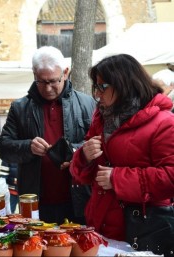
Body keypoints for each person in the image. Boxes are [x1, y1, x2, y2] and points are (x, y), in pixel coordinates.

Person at [70, 54, 174, 254]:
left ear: (123, 84)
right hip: (101, 226)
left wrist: (117, 178)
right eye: (96, 87)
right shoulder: (102, 117)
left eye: (102, 87)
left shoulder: (164, 122)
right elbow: (84, 174)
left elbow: (170, 177)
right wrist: (84, 157)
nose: (97, 94)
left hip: (143, 230)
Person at [0, 46, 96, 225]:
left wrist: (74, 151)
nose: (48, 88)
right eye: (41, 81)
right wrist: (28, 146)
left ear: (65, 73)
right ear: (34, 74)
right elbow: (4, 148)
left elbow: (100, 144)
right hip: (35, 202)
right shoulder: (20, 108)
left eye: (53, 81)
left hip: (79, 200)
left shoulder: (87, 104)